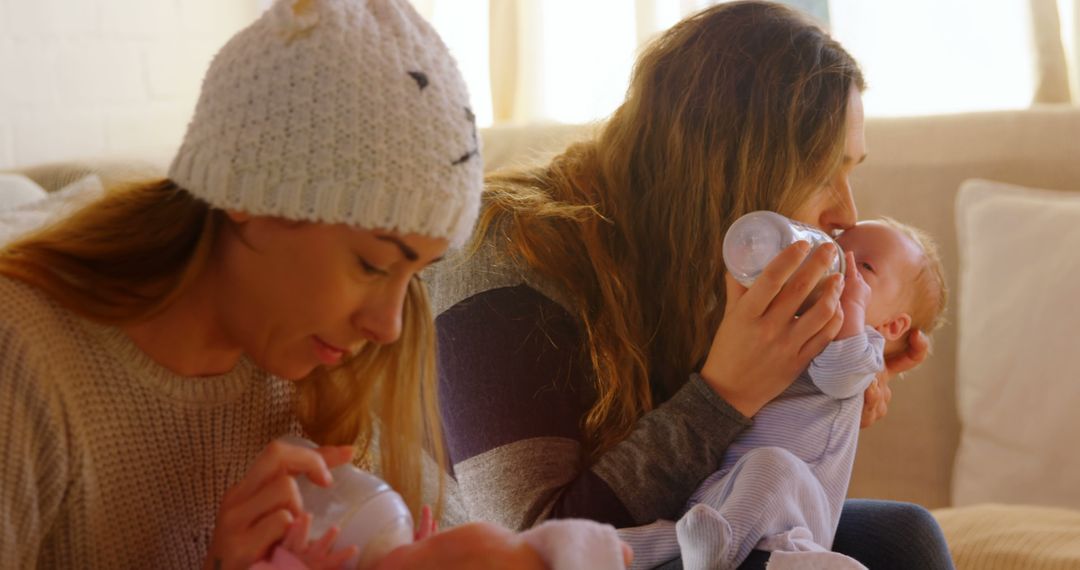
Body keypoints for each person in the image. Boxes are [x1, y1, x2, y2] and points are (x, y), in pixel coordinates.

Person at [0, 0, 615, 568]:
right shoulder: (24, 358)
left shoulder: (326, 377)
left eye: (413, 277)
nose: (388, 325)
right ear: (247, 193)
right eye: (373, 265)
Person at [429, 2, 953, 568]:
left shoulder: (699, 257)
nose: (847, 214)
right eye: (823, 173)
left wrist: (818, 394)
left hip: (655, 532)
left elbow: (717, 487)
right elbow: (530, 547)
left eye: (850, 171)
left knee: (904, 538)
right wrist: (727, 392)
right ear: (732, 165)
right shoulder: (507, 256)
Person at [620, 219, 948, 569]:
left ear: (890, 326)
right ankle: (617, 551)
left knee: (774, 466)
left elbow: (841, 375)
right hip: (728, 489)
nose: (838, 258)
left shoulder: (860, 348)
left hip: (793, 512)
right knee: (689, 526)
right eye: (838, 243)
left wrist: (851, 311)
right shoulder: (790, 322)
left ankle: (712, 559)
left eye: (864, 267)